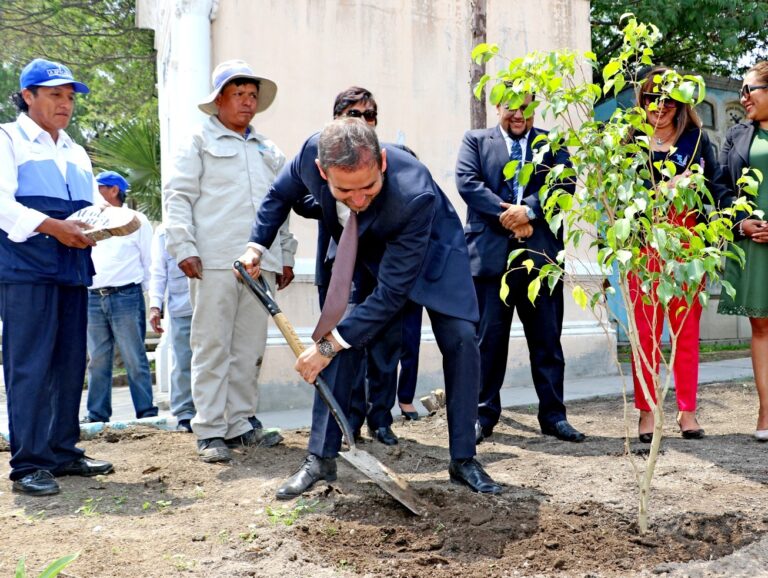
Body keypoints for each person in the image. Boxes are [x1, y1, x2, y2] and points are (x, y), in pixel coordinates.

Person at [238, 118, 502, 498]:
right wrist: (255, 247)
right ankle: (320, 459)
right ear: (320, 171)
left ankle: (464, 459)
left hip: (432, 255)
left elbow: (392, 295)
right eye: (344, 190)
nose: (358, 199)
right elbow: (279, 196)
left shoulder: (414, 193)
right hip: (365, 251)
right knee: (342, 336)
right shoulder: (310, 154)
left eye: (369, 187)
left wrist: (325, 348)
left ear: (381, 162)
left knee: (461, 341)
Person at [164, 59, 295, 463]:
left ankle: (240, 423)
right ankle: (209, 428)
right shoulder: (198, 141)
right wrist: (183, 248)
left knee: (249, 346)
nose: (247, 102)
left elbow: (282, 205)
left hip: (262, 262)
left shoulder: (268, 149)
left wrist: (285, 255)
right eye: (238, 94)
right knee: (212, 343)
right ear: (218, 100)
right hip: (215, 259)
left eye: (252, 95)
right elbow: (178, 197)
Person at [0, 58, 113, 496]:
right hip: (27, 267)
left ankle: (64, 451)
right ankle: (29, 463)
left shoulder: (76, 150)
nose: (65, 104)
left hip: (72, 265)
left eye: (69, 96)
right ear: (28, 96)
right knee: (30, 364)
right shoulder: (8, 139)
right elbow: (3, 205)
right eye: (54, 95)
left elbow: (86, 209)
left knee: (70, 361)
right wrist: (54, 227)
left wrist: (101, 224)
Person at [456, 92, 584, 444]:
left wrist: (527, 211)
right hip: (490, 261)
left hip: (540, 259)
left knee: (547, 342)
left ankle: (554, 416)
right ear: (497, 108)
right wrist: (509, 216)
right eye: (511, 106)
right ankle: (483, 415)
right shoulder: (476, 141)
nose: (518, 113)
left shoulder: (551, 143)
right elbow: (468, 184)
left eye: (526, 106)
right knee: (488, 343)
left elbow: (563, 184)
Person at [631, 67, 733, 442]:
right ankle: (647, 413)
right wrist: (662, 189)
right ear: (641, 101)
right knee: (645, 335)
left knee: (686, 333)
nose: (660, 107)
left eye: (668, 100)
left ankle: (687, 411)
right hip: (642, 248)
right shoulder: (630, 139)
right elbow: (620, 194)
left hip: (688, 248)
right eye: (651, 99)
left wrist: (726, 224)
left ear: (680, 104)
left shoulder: (697, 140)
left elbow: (716, 186)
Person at [326, 87, 423, 444]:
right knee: (347, 343)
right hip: (347, 269)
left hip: (386, 268)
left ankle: (380, 419)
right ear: (338, 118)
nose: (364, 122)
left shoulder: (387, 160)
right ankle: (347, 421)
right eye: (355, 115)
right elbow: (308, 201)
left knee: (387, 347)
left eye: (370, 116)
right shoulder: (321, 160)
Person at [717, 61, 768, 441]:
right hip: (752, 243)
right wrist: (740, 223)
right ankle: (766, 413)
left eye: (749, 90)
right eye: (741, 90)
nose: (743, 97)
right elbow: (720, 187)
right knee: (761, 326)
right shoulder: (736, 134)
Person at [82, 171, 158, 424]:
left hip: (126, 295)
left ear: (114, 190)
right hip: (92, 296)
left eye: (100, 188)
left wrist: (154, 303)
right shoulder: (87, 220)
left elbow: (149, 261)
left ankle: (146, 413)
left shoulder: (136, 220)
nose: (95, 192)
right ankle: (96, 415)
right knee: (97, 359)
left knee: (134, 357)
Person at [149, 224, 195, 432]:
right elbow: (158, 271)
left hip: (213, 305)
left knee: (218, 360)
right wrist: (155, 305)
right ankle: (185, 414)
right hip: (181, 307)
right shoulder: (164, 232)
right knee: (183, 361)